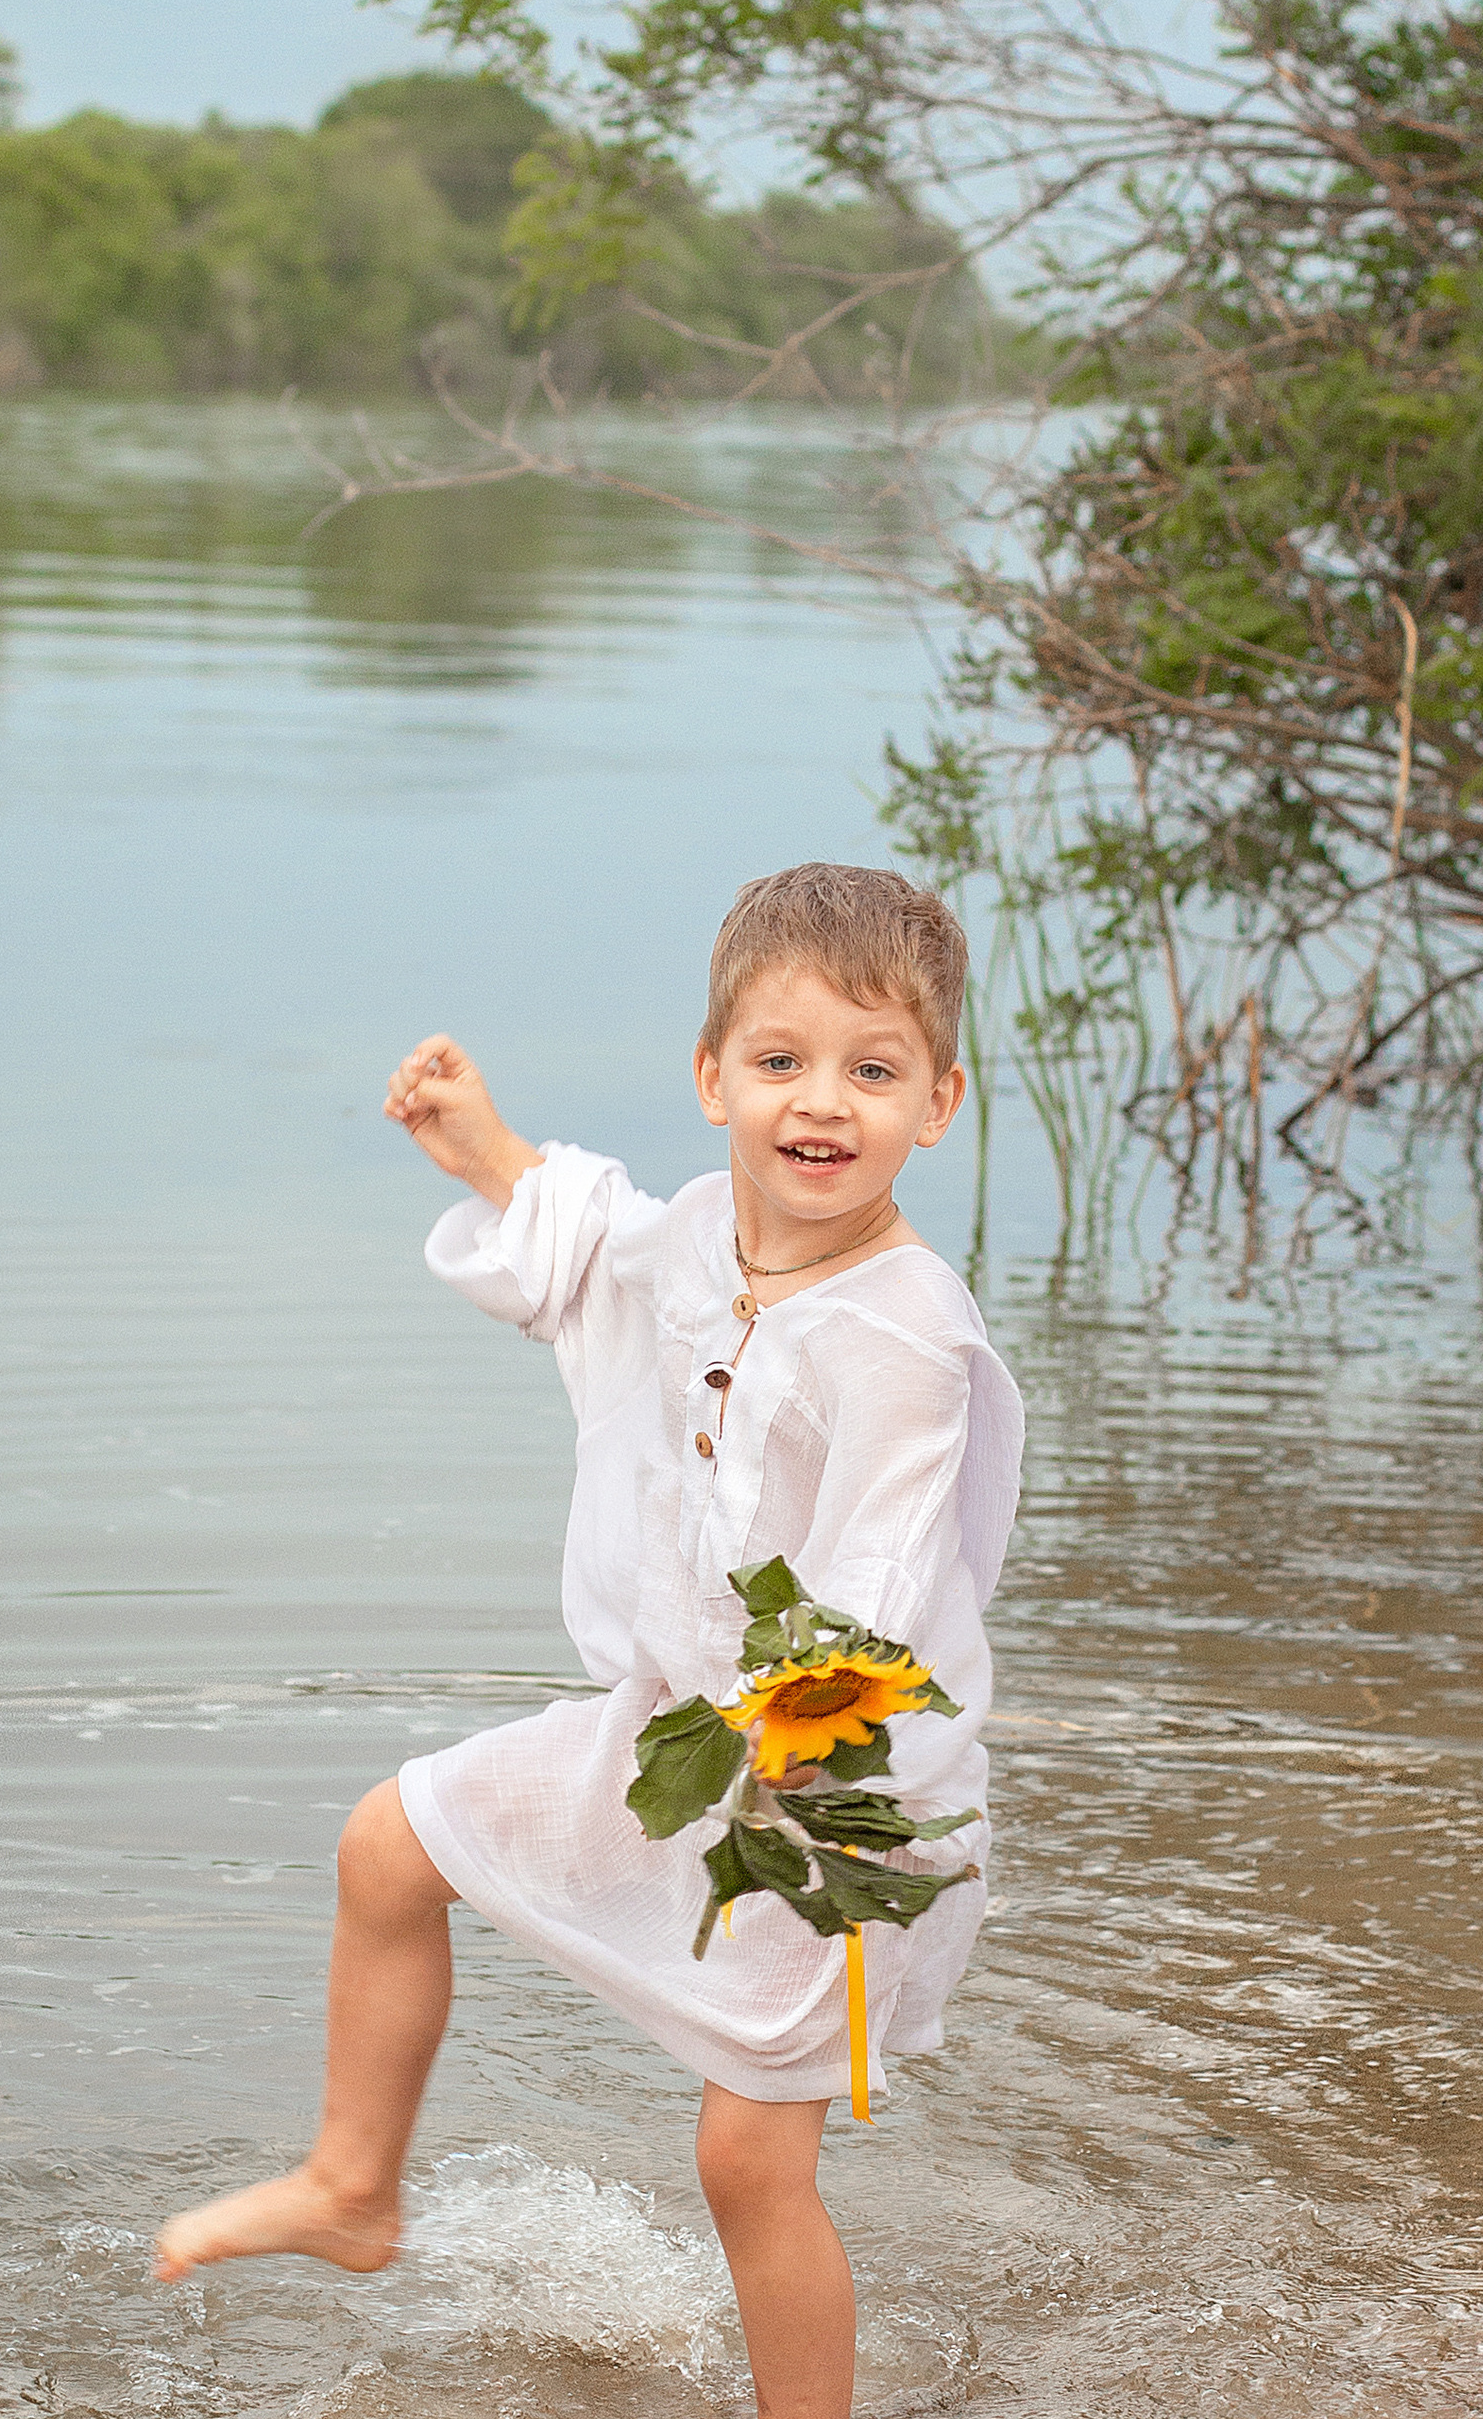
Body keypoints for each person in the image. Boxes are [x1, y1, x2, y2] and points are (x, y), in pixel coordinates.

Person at [153, 863, 1024, 2419]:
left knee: (748, 2156)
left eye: (872, 1072)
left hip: (841, 1778)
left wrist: (799, 1744)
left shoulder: (910, 1339)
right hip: (685, 1727)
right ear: (713, 1078)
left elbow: (880, 1577)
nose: (823, 1105)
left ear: (937, 1102)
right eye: (782, 1063)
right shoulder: (707, 1236)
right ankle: (354, 2185)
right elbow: (607, 1250)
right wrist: (484, 1148)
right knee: (387, 1846)